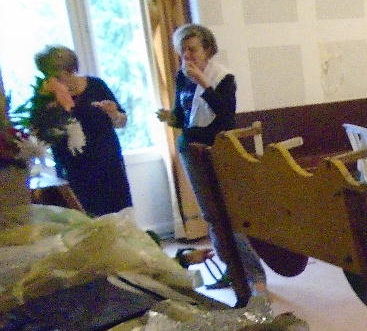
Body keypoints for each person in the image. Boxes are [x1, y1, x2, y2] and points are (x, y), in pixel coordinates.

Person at [157, 23, 264, 290]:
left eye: (192, 49)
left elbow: (226, 117)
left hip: (217, 151)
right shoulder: (182, 76)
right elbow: (182, 117)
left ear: (207, 49)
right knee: (211, 217)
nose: (187, 56)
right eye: (182, 50)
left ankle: (254, 274)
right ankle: (232, 270)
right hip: (190, 150)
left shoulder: (223, 78)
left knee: (227, 214)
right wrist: (169, 117)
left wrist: (204, 84)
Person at [29, 45, 132, 218]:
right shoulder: (44, 96)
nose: (51, 80)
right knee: (82, 220)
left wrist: (113, 113)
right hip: (73, 170)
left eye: (57, 75)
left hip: (108, 166)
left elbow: (122, 122)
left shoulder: (96, 86)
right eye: (46, 75)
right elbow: (39, 133)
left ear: (71, 70)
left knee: (118, 217)